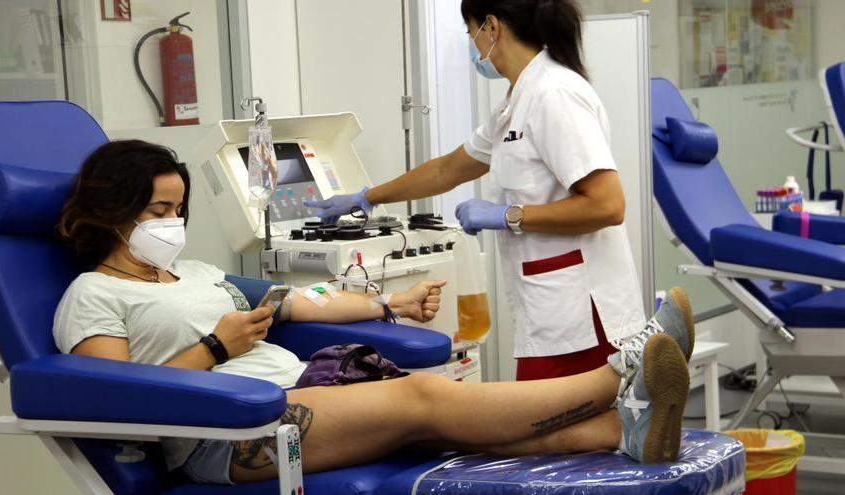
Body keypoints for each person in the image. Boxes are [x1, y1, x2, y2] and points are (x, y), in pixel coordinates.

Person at [53, 140, 695, 485]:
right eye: (159, 211)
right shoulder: (93, 296)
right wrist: (217, 349)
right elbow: (119, 407)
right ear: (112, 210)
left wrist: (388, 302)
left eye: (179, 210)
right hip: (230, 436)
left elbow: (301, 302)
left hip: (294, 395)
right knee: (424, 398)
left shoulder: (194, 273)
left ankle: (623, 432)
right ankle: (620, 376)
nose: (174, 224)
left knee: (445, 431)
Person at [305, 0, 646, 382]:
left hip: (582, 313)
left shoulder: (554, 94)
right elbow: (447, 169)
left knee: (559, 432)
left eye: (471, 33)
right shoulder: (516, 102)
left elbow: (607, 205)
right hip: (555, 310)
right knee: (551, 431)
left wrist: (508, 216)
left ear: (491, 28)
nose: (472, 44)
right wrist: (367, 196)